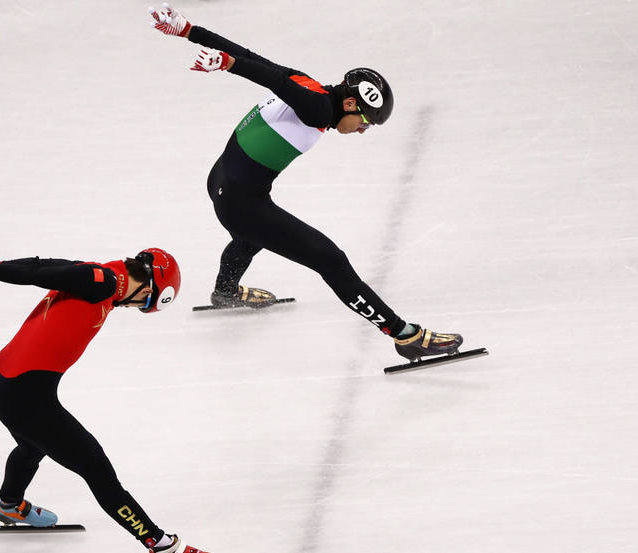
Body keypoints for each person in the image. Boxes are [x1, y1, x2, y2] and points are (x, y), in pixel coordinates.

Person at [149, 4, 464, 362]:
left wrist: (189, 30)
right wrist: (227, 65)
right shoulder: (319, 109)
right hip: (240, 201)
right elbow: (270, 78)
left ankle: (225, 292)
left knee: (253, 234)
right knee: (331, 260)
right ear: (348, 102)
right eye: (364, 121)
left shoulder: (309, 84)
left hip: (222, 181)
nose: (361, 130)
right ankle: (404, 335)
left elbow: (250, 56)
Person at [0, 249, 213, 553]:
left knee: (31, 444)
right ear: (147, 287)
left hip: (0, 376)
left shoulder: (100, 272)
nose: (137, 307)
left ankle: (10, 505)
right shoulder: (104, 284)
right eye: (144, 302)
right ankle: (162, 546)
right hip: (25, 396)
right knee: (98, 472)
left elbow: (42, 266)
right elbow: (36, 274)